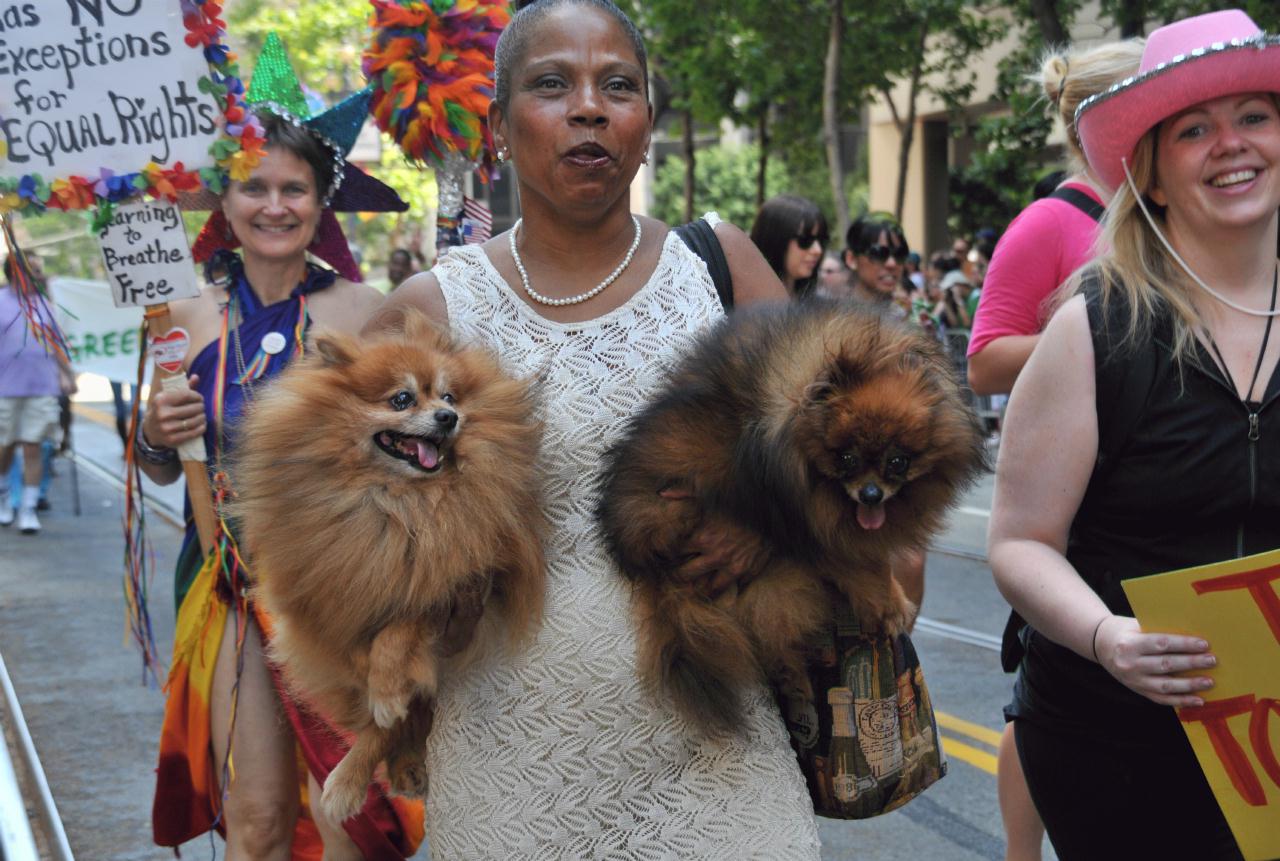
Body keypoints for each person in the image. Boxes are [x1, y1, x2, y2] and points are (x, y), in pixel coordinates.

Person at [366, 1, 821, 856]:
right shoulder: (431, 312)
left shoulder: (718, 269)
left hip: (716, 754)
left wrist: (770, 525)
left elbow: (857, 467)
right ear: (499, 126)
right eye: (551, 84)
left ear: (646, 122)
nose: (588, 107)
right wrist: (426, 594)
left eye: (618, 85)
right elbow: (338, 544)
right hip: (510, 769)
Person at [989, 10, 1280, 860]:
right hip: (1114, 748)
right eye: (1196, 129)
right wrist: (1107, 636)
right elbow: (1019, 543)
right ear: (1151, 174)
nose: (1232, 144)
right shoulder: (1095, 329)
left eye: (1254, 117)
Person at [137, 36, 422, 860]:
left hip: (341, 591)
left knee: (352, 816)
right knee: (258, 816)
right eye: (252, 186)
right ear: (222, 202)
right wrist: (158, 434)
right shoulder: (180, 317)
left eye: (293, 187)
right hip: (228, 587)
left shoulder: (367, 312)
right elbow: (157, 464)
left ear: (321, 199)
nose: (273, 205)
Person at [963, 38, 1145, 861]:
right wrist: (1090, 340)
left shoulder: (1169, 217)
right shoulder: (1050, 220)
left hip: (1154, 492)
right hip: (1075, 502)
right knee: (1040, 698)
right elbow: (984, 355)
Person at [968, 40, 1144, 398]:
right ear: (1110, 121)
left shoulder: (1161, 208)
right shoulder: (1046, 222)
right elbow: (983, 368)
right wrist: (1098, 336)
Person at [0, 254, 75, 534]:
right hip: (6, 389)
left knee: (34, 446)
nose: (39, 274)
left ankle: (28, 509)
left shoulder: (44, 305)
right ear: (15, 272)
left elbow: (56, 344)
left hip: (42, 387)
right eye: (33, 269)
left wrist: (67, 374)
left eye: (40, 269)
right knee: (5, 447)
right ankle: (5, 497)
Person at [749, 194, 828, 298]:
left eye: (821, 240)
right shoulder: (739, 305)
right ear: (775, 240)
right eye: (805, 240)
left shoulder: (821, 305)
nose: (818, 250)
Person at [843, 212, 910, 315]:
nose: (892, 263)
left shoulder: (910, 316)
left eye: (899, 253)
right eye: (879, 253)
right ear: (851, 259)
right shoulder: (834, 319)